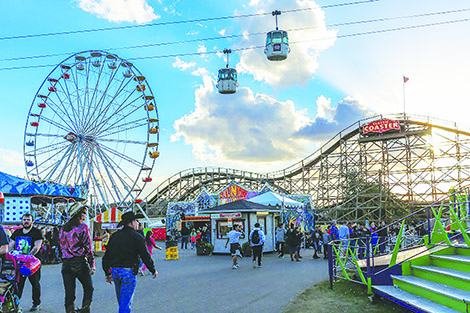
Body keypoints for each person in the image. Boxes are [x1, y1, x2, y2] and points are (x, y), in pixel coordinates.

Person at [102, 212, 157, 313]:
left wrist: (107, 272)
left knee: (122, 302)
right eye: (136, 221)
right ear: (132, 222)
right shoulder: (136, 237)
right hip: (128, 271)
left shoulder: (114, 236)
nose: (137, 223)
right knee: (125, 303)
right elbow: (145, 255)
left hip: (115, 271)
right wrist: (152, 269)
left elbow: (107, 256)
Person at [59, 204, 95, 313]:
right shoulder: (82, 227)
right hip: (78, 262)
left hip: (66, 264)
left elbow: (60, 247)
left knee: (69, 292)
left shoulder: (63, 229)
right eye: (84, 212)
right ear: (78, 214)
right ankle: (85, 309)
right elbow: (88, 247)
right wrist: (92, 264)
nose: (85, 215)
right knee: (88, 288)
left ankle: (69, 311)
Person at [9, 213, 43, 311]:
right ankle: (15, 304)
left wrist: (29, 256)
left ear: (32, 221)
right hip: (18, 263)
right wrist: (11, 254)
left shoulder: (37, 232)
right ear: (22, 221)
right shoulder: (17, 232)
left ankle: (36, 303)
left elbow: (37, 246)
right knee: (18, 284)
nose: (26, 221)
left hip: (32, 263)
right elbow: (11, 244)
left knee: (35, 283)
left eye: (28, 220)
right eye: (24, 219)